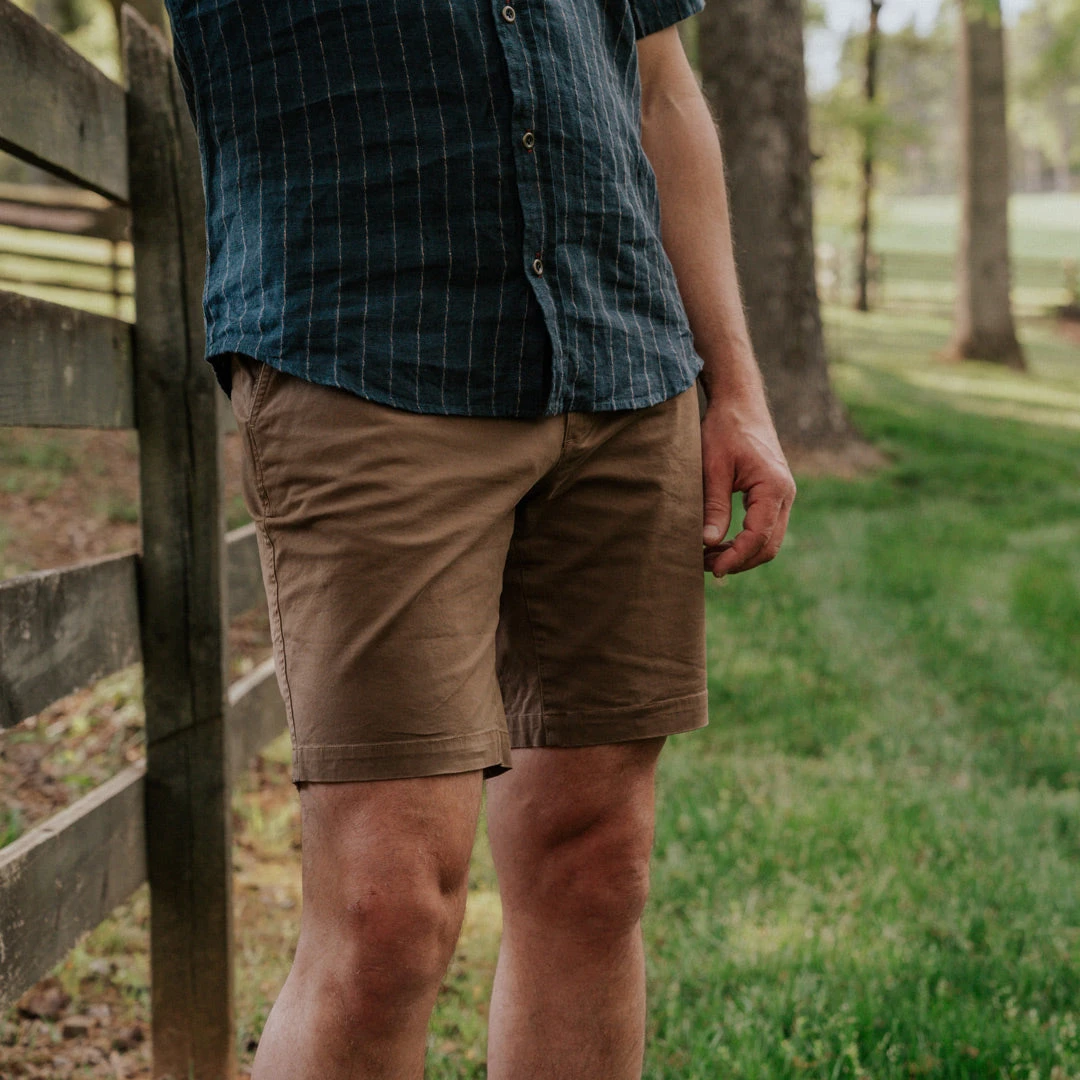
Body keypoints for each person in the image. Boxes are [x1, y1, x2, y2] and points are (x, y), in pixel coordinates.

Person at [165, 0, 796, 1076]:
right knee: (384, 915)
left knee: (595, 866)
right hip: (361, 349)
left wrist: (734, 384)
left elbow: (661, 86)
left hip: (621, 358)